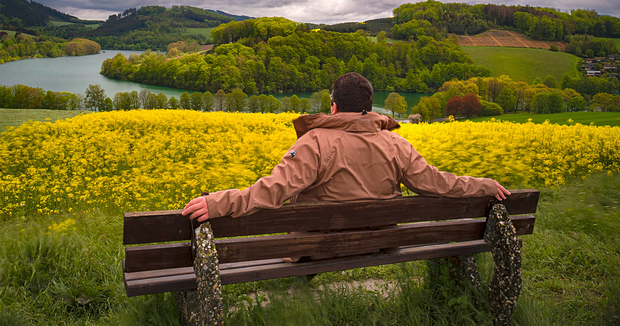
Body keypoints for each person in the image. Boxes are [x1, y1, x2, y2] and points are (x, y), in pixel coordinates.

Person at [183, 72, 510, 223]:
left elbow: (274, 190)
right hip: (381, 239)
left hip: (320, 243)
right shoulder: (396, 142)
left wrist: (218, 203)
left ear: (334, 107)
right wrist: (482, 185)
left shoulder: (315, 141)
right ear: (370, 108)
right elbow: (437, 183)